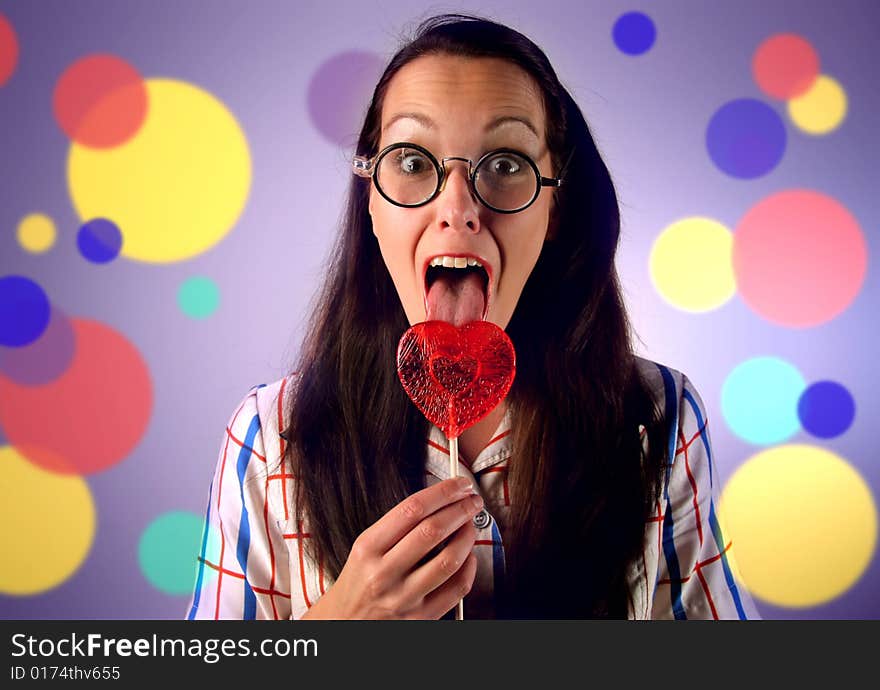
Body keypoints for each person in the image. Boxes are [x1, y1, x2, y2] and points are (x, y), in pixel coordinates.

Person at [186, 13, 759, 620]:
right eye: (411, 162)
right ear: (372, 205)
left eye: (507, 165)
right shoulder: (270, 437)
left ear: (555, 209)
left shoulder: (658, 418)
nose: (457, 209)